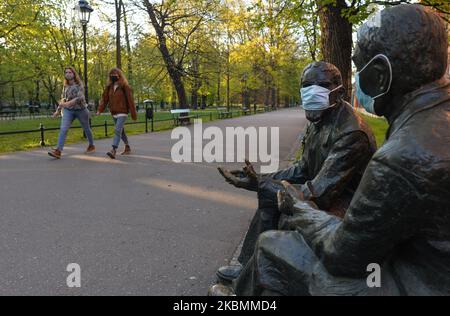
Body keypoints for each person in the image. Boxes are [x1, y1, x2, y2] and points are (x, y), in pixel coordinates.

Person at [211, 4, 450, 296]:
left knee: (274, 245)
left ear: (380, 74)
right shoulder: (431, 118)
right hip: (410, 251)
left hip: (409, 277)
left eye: (358, 66)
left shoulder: (388, 147)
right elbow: (302, 169)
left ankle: (246, 287)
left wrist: (293, 203)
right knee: (272, 200)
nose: (356, 76)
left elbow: (341, 247)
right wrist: (261, 181)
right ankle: (248, 270)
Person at [213, 61, 377, 285]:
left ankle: (257, 278)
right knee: (269, 195)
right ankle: (250, 265)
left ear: (338, 90)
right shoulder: (319, 118)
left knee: (280, 205)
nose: (313, 90)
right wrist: (260, 179)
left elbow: (320, 193)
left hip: (348, 204)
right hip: (326, 191)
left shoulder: (351, 132)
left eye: (322, 85)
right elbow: (302, 169)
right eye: (307, 85)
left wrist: (263, 185)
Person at [48, 67, 95, 159]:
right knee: (63, 129)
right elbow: (63, 99)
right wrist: (57, 111)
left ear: (74, 74)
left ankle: (91, 145)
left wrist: (66, 104)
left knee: (86, 128)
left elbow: (79, 99)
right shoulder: (65, 86)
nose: (68, 74)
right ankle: (58, 151)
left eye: (70, 72)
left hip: (81, 110)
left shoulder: (79, 85)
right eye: (66, 72)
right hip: (68, 111)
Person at [97, 68, 137, 159]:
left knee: (117, 130)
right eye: (111, 74)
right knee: (121, 131)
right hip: (114, 112)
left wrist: (133, 114)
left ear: (119, 75)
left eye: (115, 73)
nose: (113, 75)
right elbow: (104, 99)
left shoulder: (125, 86)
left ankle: (113, 149)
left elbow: (130, 100)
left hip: (123, 112)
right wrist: (100, 109)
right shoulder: (109, 87)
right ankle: (127, 146)